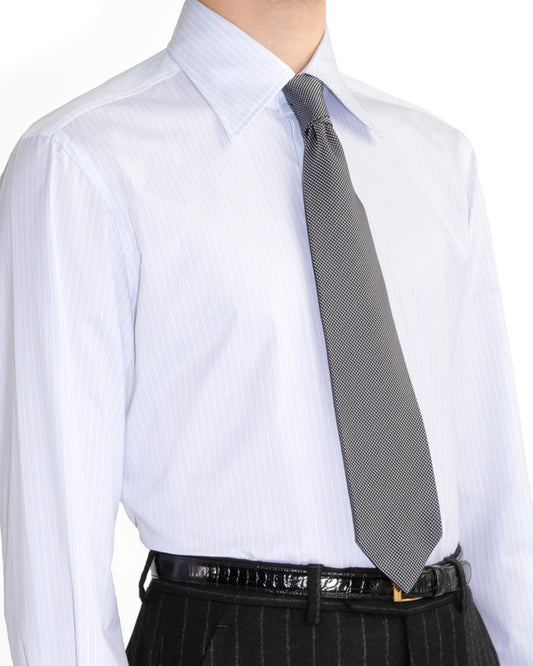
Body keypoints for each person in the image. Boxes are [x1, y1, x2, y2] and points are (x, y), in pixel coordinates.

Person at [1, 0, 532, 663]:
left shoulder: (438, 158)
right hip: (240, 636)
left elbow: (495, 494)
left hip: (450, 628)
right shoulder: (81, 160)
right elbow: (58, 572)